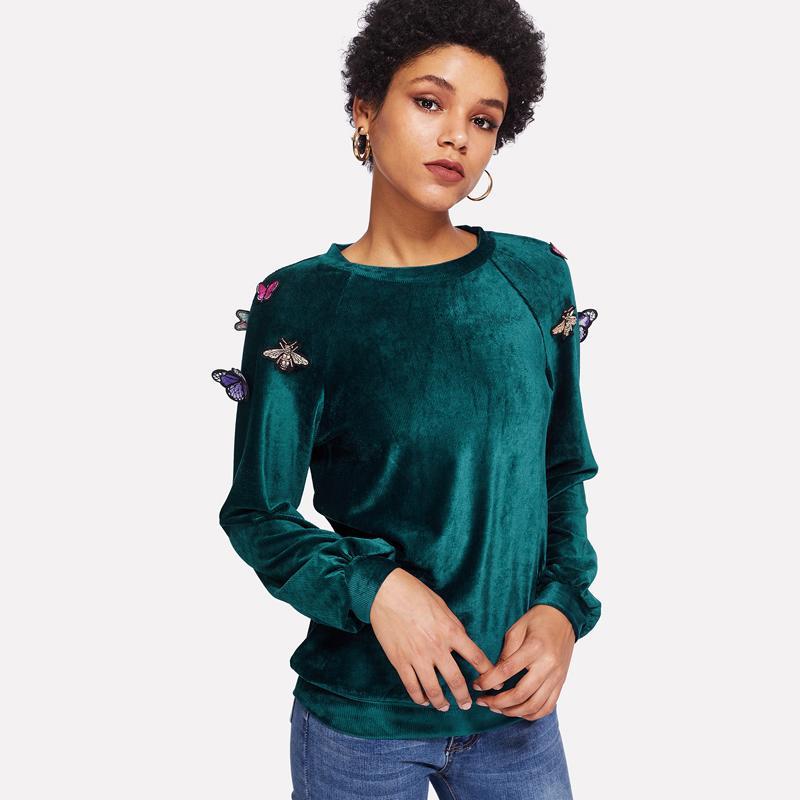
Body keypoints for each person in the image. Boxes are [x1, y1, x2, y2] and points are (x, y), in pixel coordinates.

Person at [217, 1, 601, 796]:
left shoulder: (536, 280)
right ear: (366, 110)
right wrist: (377, 588)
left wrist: (563, 608)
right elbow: (258, 515)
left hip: (517, 719)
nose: (457, 136)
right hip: (359, 724)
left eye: (483, 119)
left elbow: (561, 469)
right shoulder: (300, 304)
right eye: (430, 102)